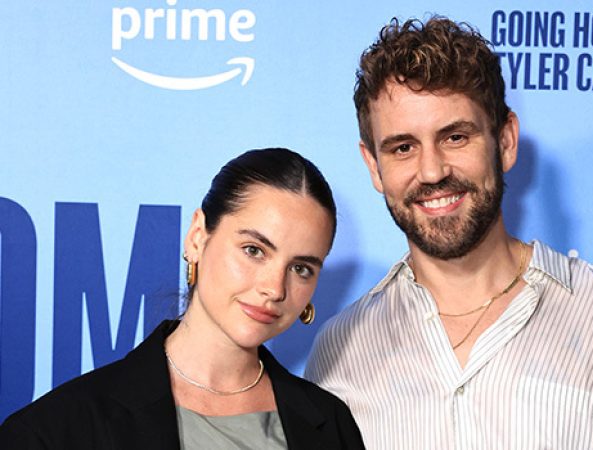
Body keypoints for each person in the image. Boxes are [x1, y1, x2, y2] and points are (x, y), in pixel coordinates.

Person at [305, 17, 593, 449]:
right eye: (403, 147)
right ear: (373, 166)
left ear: (506, 141)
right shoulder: (339, 351)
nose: (432, 171)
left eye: (455, 137)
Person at [0, 148, 365, 449]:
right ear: (197, 238)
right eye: (253, 250)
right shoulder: (56, 431)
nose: (275, 288)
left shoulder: (331, 425)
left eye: (301, 268)